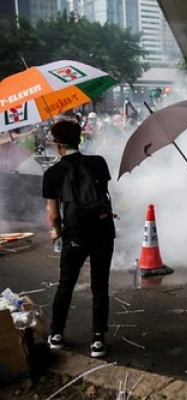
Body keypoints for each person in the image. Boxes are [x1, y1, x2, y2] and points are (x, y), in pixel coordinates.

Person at [42, 120, 116, 358]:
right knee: (100, 285)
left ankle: (56, 334)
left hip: (75, 236)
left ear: (57, 144)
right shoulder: (98, 162)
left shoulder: (52, 174)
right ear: (79, 139)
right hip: (103, 231)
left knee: (66, 284)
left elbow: (54, 215)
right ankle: (97, 341)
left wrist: (57, 230)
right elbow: (100, 194)